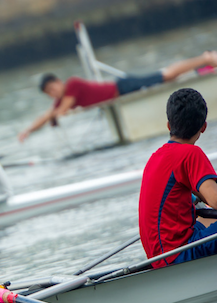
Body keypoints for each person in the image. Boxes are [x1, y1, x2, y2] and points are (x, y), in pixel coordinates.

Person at [19, 52, 217, 142]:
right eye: (49, 94)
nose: (53, 94)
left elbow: (58, 113)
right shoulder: (62, 98)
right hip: (120, 91)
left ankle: (206, 58)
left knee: (166, 76)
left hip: (122, 87)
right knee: (165, 76)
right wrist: (28, 130)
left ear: (57, 82)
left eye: (52, 89)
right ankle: (203, 63)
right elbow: (49, 114)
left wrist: (52, 118)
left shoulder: (71, 85)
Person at [138, 88, 217, 268]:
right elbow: (215, 199)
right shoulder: (191, 154)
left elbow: (204, 196)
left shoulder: (156, 157)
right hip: (177, 255)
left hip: (158, 257)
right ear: (203, 127)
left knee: (206, 218)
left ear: (168, 125)